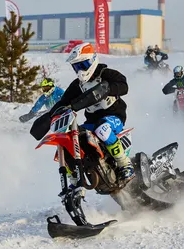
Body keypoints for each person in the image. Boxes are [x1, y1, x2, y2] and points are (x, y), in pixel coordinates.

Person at [33, 42, 134, 198]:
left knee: (103, 128)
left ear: (93, 60)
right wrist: (48, 117)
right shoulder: (77, 85)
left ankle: (124, 164)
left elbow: (124, 86)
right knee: (70, 139)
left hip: (114, 117)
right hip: (91, 122)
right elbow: (63, 102)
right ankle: (74, 181)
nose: (80, 70)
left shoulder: (107, 73)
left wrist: (107, 88)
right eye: (76, 67)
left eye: (83, 65)